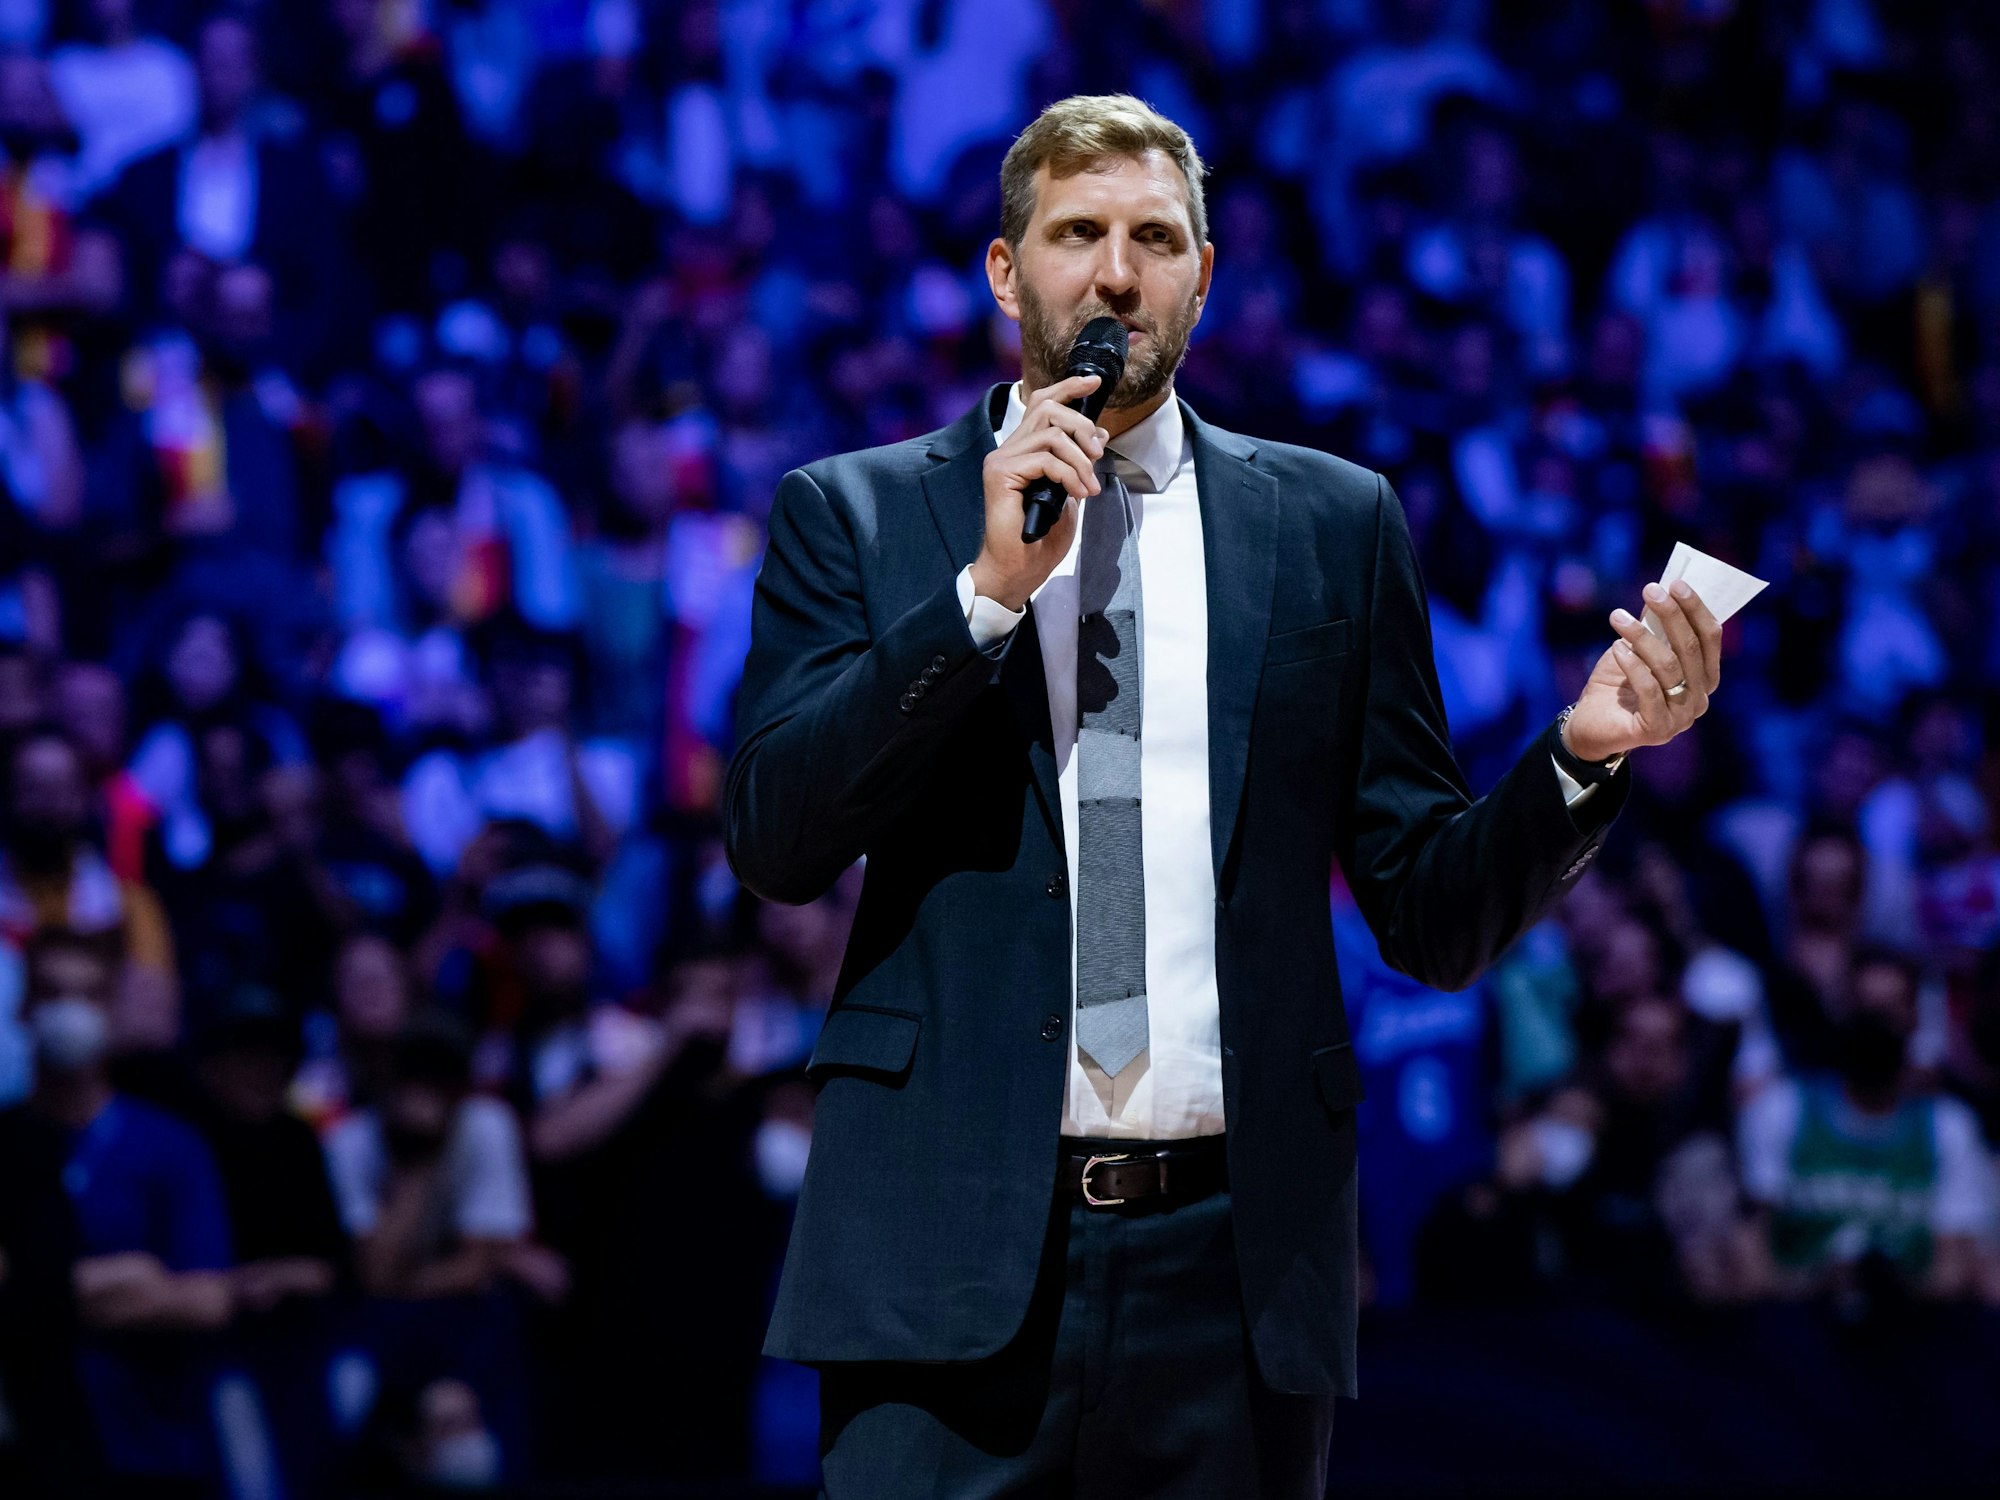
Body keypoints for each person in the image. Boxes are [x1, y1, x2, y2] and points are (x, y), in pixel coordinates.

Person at [725, 95, 1729, 1496]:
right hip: (943, 1251)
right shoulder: (860, 512)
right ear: (1006, 271)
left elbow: (1429, 913)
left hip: (1236, 1273)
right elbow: (777, 839)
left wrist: (1580, 754)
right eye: (1076, 234)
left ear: (1205, 276)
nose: (1115, 274)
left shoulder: (1330, 524)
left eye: (1155, 239)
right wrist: (982, 601)